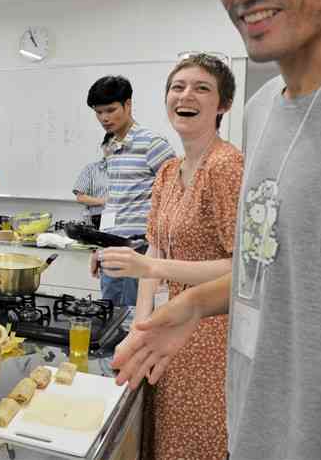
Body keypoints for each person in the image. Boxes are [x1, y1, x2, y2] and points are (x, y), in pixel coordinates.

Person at [112, 0, 321, 459]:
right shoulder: (264, 112)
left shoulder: (226, 164)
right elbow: (268, 269)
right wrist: (182, 307)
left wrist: (165, 284)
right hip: (255, 410)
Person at [100, 54, 242, 459]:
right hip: (167, 322)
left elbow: (244, 268)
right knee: (158, 435)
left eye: (202, 88)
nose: (186, 95)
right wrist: (140, 326)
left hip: (211, 329)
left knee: (194, 438)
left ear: (223, 104)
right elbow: (155, 246)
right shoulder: (168, 171)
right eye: (177, 87)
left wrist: (153, 266)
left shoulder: (227, 166)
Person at [86, 75, 175, 306]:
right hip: (113, 248)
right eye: (98, 112)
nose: (104, 118)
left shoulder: (152, 144)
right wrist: (101, 249)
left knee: (133, 323)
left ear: (128, 104)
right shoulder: (111, 146)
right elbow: (114, 202)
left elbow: (176, 196)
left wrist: (162, 254)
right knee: (109, 318)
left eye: (110, 110)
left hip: (140, 249)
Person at [72, 132, 113, 228]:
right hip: (98, 218)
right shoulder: (91, 169)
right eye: (112, 145)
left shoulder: (129, 171)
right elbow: (80, 197)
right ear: (104, 147)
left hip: (124, 219)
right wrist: (105, 201)